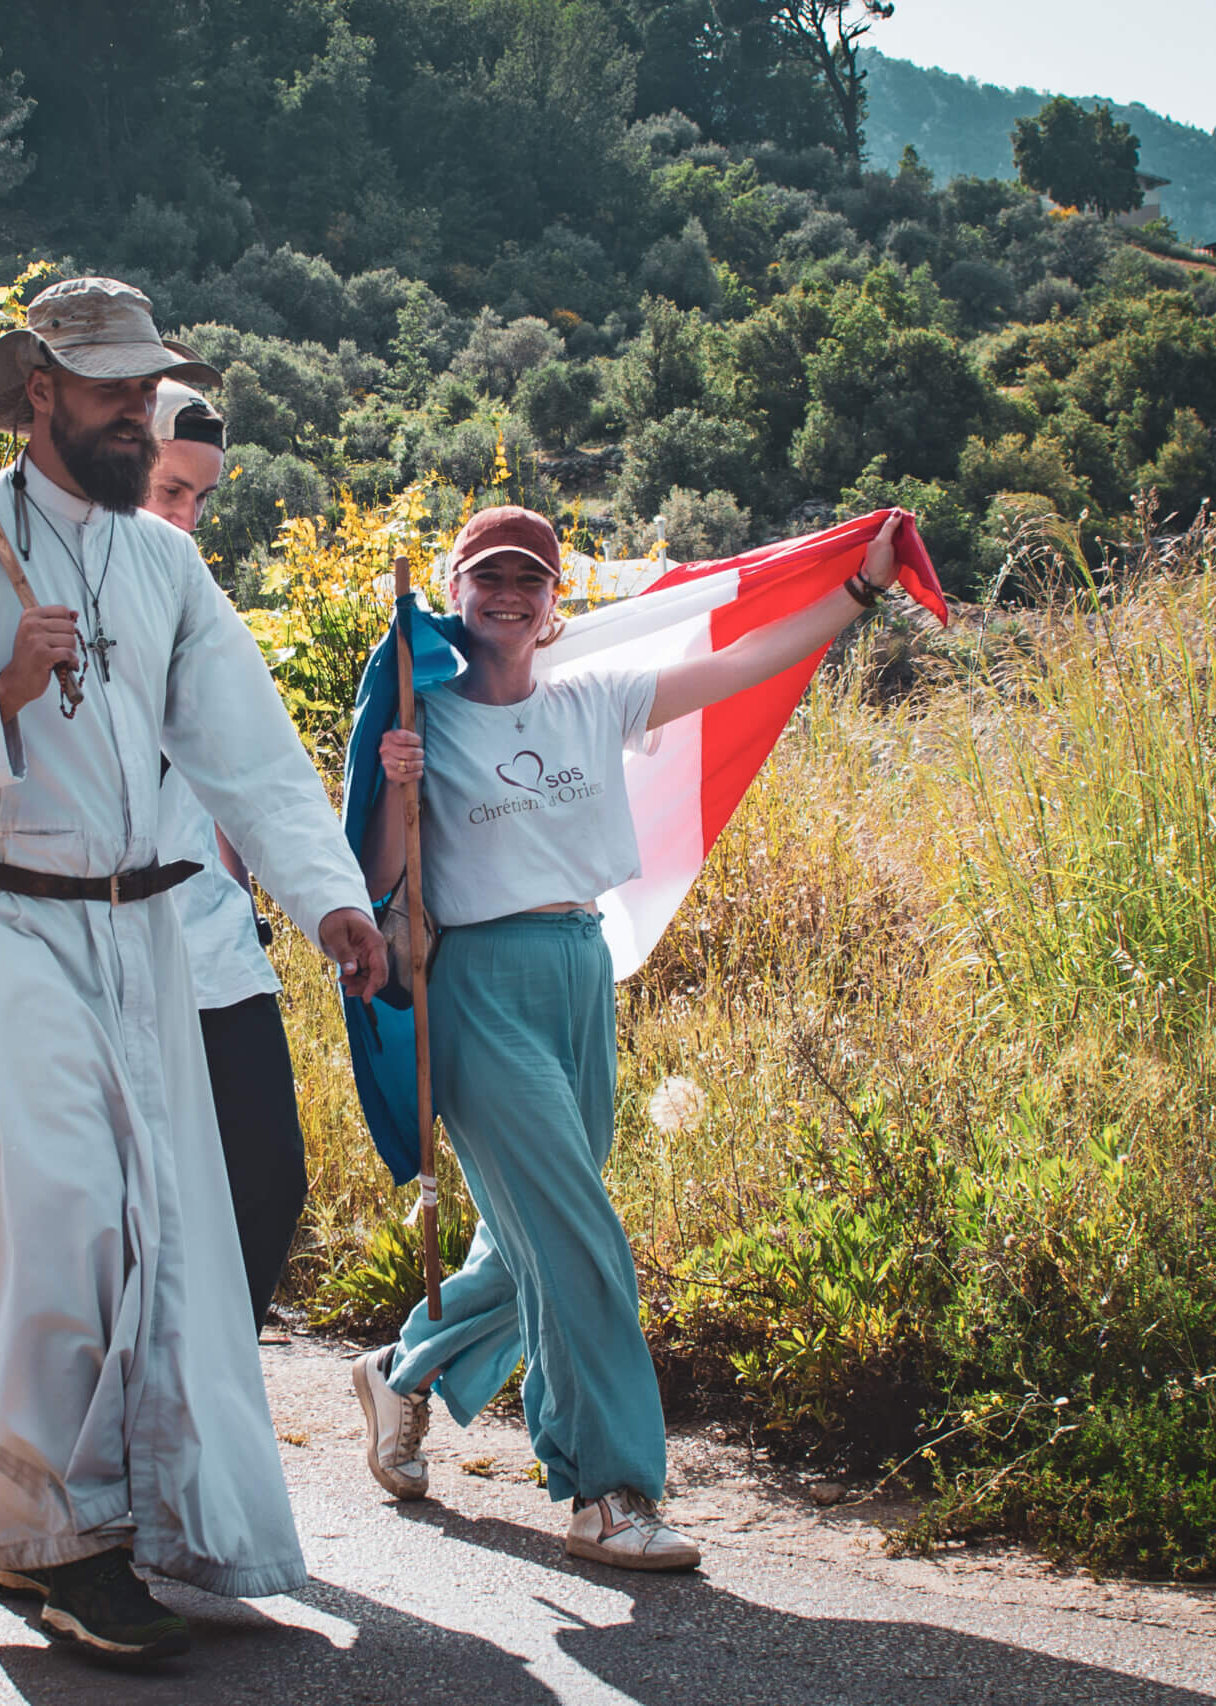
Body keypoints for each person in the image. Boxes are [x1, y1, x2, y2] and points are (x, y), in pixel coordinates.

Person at [0, 277, 387, 1662]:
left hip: (144, 934)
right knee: (61, 1217)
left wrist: (334, 906)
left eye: (149, 391)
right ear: (40, 399)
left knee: (163, 1230)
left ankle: (118, 1524)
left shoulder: (168, 566)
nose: (140, 414)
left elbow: (247, 754)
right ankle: (56, 1538)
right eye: (113, 392)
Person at [348, 503, 907, 1571]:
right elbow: (378, 877)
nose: (507, 595)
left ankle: (403, 1370)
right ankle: (606, 1488)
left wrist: (858, 591)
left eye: (529, 580)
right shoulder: (423, 710)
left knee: (538, 1237)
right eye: (487, 577)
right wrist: (395, 780)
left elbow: (746, 660)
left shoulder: (595, 697)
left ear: (556, 605)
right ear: (458, 591)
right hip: (475, 981)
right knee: (579, 1237)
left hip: (579, 968)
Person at [143, 381, 311, 1334]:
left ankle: (209, 1392)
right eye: (172, 491)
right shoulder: (47, 596)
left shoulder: (196, 603)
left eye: (200, 499)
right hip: (112, 952)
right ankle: (150, 1412)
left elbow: (250, 778)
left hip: (220, 950)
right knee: (137, 1204)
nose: (188, 518)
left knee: (267, 1178)